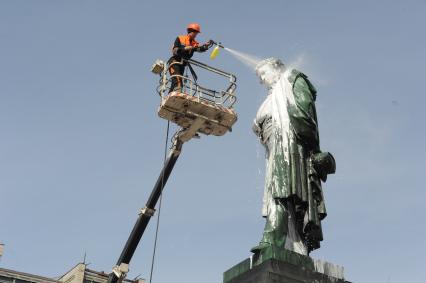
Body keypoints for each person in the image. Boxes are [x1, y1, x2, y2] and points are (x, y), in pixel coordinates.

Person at [252, 58, 336, 255]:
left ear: (276, 69)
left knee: (280, 190)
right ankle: (295, 243)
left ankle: (272, 239)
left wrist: (313, 148)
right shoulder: (274, 95)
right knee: (282, 192)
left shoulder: (291, 80)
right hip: (276, 144)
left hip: (288, 144)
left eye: (263, 74)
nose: (261, 80)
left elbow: (304, 113)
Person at [168, 23, 213, 93]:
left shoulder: (194, 43)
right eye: (195, 33)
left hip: (182, 64)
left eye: (197, 33)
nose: (196, 35)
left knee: (177, 82)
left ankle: (170, 96)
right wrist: (185, 48)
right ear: (190, 31)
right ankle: (174, 95)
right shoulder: (180, 38)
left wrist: (206, 46)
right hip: (174, 62)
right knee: (178, 81)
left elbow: (199, 49)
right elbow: (175, 50)